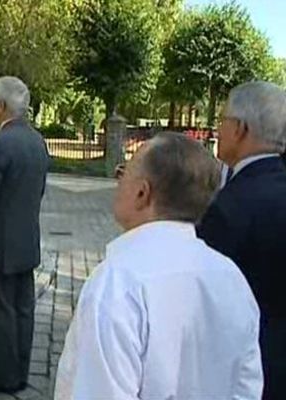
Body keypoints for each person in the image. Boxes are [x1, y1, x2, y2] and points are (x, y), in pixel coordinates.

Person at [56, 132, 262, 400]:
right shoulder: (231, 277)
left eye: (122, 174)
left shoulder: (119, 281)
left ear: (142, 192)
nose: (117, 184)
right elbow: (247, 386)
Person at [197, 81, 286, 400]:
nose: (217, 130)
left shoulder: (231, 206)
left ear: (241, 129)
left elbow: (204, 300)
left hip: (248, 369)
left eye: (221, 120)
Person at [0, 77, 49, 393]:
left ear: (1, 106)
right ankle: (20, 371)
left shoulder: (0, 144)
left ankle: (3, 374)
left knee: (0, 310)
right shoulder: (37, 141)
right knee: (23, 309)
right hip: (27, 238)